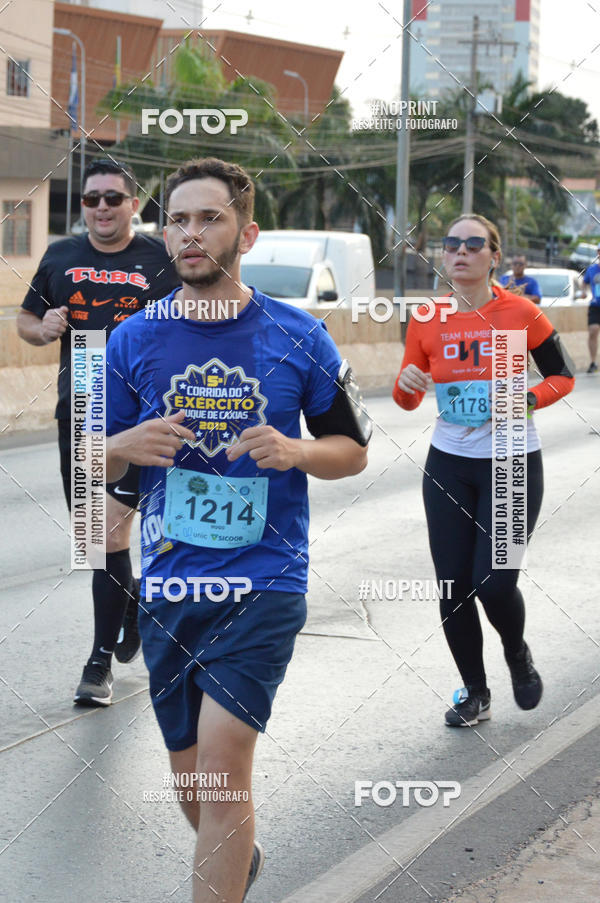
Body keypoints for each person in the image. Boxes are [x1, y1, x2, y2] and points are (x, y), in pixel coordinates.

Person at [104, 157, 370, 902]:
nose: (191, 233)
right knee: (195, 787)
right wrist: (124, 445)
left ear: (245, 232)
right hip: (169, 583)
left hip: (264, 580)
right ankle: (235, 853)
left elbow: (353, 450)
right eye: (178, 220)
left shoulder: (300, 333)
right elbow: (86, 453)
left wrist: (296, 451)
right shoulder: (131, 340)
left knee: (223, 767)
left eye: (209, 218)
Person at [393, 214, 575, 727]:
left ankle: (516, 653)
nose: (462, 251)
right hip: (449, 464)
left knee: (493, 584)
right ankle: (474, 693)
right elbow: (406, 400)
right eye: (452, 243)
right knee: (453, 588)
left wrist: (528, 399)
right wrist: (407, 383)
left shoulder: (520, 311)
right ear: (444, 255)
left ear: (494, 256)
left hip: (513, 460)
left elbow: (562, 375)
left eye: (475, 244)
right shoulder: (428, 316)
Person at [16, 158, 177, 706]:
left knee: (112, 535)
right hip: (81, 403)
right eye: (92, 199)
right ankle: (129, 598)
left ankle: (99, 661)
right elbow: (26, 321)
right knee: (95, 540)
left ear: (134, 203)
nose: (102, 208)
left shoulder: (161, 257)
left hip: (144, 414)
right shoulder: (62, 255)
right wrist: (45, 328)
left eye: (113, 198)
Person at [582, 243, 600, 373]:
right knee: (593, 330)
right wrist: (585, 292)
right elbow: (584, 282)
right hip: (595, 305)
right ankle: (593, 362)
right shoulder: (592, 269)